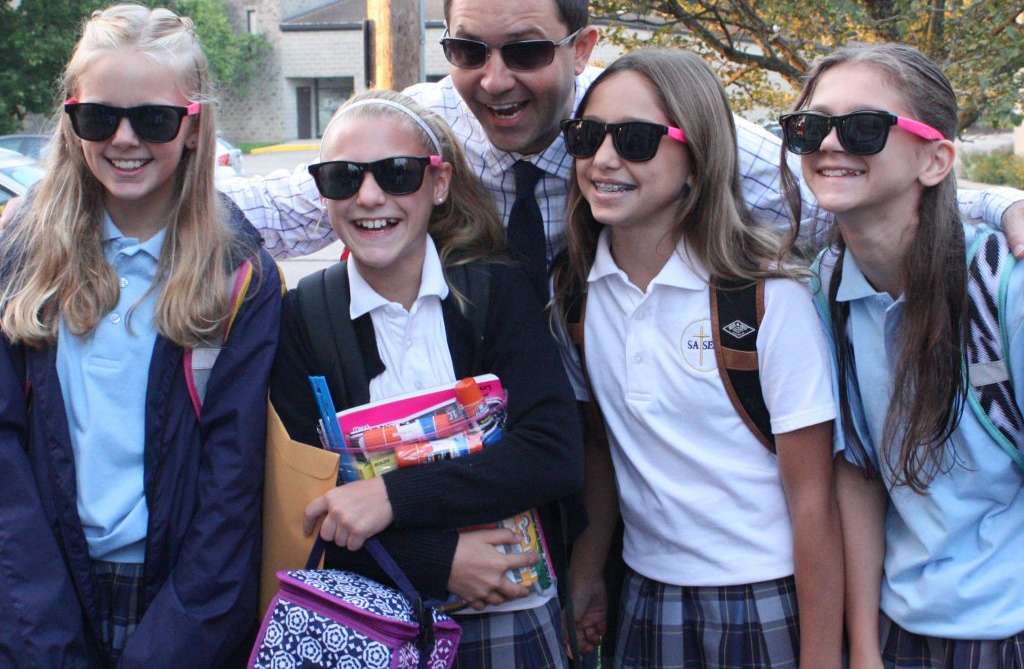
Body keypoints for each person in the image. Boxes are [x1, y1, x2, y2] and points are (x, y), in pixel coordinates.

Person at [219, 0, 1024, 265]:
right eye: (468, 49)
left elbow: (824, 185)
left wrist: (1000, 209)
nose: (493, 79)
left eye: (527, 51)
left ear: (584, 47)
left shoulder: (646, 126)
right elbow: (267, 212)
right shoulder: (425, 136)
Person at [0, 4, 281, 668]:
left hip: (180, 602)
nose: (124, 138)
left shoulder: (239, 274)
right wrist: (44, 638)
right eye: (98, 116)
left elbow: (233, 485)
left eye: (153, 119)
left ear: (192, 127)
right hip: (35, 588)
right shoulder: (19, 255)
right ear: (71, 124)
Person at [269, 90, 584, 668]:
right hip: (371, 629)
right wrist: (439, 558)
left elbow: (553, 452)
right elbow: (302, 507)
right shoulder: (303, 320)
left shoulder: (497, 293)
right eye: (342, 177)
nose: (369, 197)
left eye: (397, 174)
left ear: (437, 185)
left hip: (511, 624)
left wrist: (390, 495)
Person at [552, 49, 843, 669]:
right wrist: (586, 573)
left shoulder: (765, 295)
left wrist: (820, 656)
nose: (604, 159)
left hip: (766, 598)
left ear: (698, 158)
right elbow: (605, 448)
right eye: (587, 135)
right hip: (644, 596)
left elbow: (816, 500)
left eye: (636, 140)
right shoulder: (575, 294)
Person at [779, 43, 1024, 669]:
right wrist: (863, 646)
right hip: (899, 630)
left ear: (936, 159)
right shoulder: (825, 287)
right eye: (809, 127)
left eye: (863, 127)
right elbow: (859, 473)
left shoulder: (1004, 287)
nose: (830, 145)